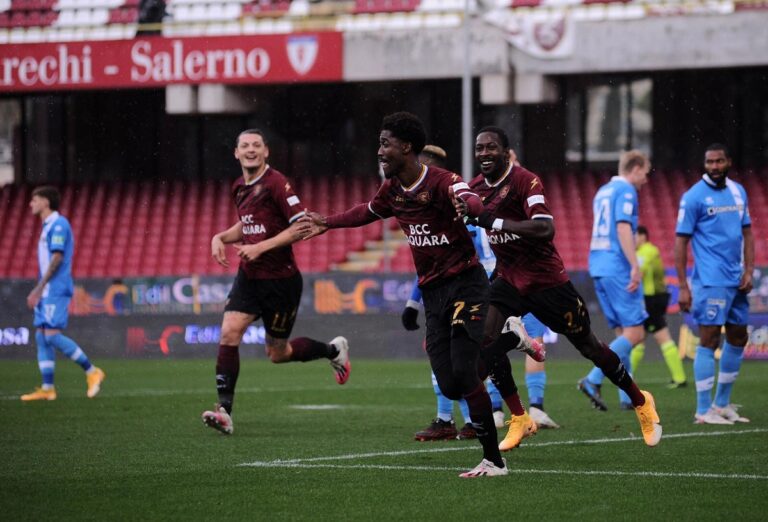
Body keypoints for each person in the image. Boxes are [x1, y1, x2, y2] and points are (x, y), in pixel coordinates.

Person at [303, 112, 517, 477]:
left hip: (467, 283)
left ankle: (493, 460)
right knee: (450, 386)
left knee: (465, 372)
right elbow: (367, 212)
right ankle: (512, 339)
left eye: (385, 144)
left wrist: (473, 207)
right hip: (433, 292)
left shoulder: (442, 181)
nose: (380, 151)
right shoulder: (391, 190)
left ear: (406, 147)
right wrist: (328, 221)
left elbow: (468, 196)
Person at [460, 127, 661, 448]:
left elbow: (545, 228)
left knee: (590, 348)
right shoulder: (475, 189)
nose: (484, 153)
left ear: (506, 151)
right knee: (483, 343)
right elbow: (455, 208)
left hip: (547, 282)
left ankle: (640, 401)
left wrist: (493, 222)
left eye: (491, 147)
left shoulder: (526, 181)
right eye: (479, 148)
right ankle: (519, 416)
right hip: (508, 279)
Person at [201, 129, 351, 435]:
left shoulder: (277, 184)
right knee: (229, 333)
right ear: (236, 153)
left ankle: (333, 351)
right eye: (245, 145)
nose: (251, 150)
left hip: (281, 281)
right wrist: (220, 237)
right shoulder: (239, 186)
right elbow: (248, 224)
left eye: (256, 145)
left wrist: (260, 247)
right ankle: (225, 412)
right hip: (249, 277)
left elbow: (301, 227)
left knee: (277, 354)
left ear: (266, 151)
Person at [405, 144, 505, 441]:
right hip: (457, 290)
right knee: (457, 356)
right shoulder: (451, 203)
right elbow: (430, 261)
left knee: (470, 358)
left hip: (472, 291)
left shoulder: (456, 205)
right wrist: (413, 301)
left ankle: (480, 416)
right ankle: (452, 418)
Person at [674, 143, 753, 425]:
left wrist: (750, 269)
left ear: (728, 162)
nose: (715, 166)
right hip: (710, 281)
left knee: (738, 337)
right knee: (709, 340)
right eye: (710, 162)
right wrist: (683, 285)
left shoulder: (738, 191)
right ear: (704, 164)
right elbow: (681, 242)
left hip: (737, 279)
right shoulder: (694, 196)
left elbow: (748, 233)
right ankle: (703, 410)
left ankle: (721, 404)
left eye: (719, 161)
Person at [579, 151, 650, 411]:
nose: (645, 179)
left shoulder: (603, 191)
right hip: (617, 266)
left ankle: (627, 396)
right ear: (636, 168)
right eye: (645, 173)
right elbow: (622, 227)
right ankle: (592, 379)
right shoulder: (628, 191)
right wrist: (634, 266)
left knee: (623, 334)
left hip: (597, 265)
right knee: (635, 332)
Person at [21, 186, 106, 401]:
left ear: (45, 202)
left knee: (52, 335)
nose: (31, 204)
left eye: (34, 200)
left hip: (55, 288)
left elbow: (57, 258)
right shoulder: (48, 225)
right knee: (41, 336)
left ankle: (92, 371)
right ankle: (48, 388)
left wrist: (39, 288)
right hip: (48, 289)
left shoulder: (58, 225)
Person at [631, 225, 687, 388]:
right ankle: (626, 376)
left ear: (642, 236)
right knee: (638, 338)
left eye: (634, 236)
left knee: (657, 337)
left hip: (652, 300)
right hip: (648, 300)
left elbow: (639, 272)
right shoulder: (639, 252)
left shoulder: (648, 250)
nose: (633, 240)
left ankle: (680, 378)